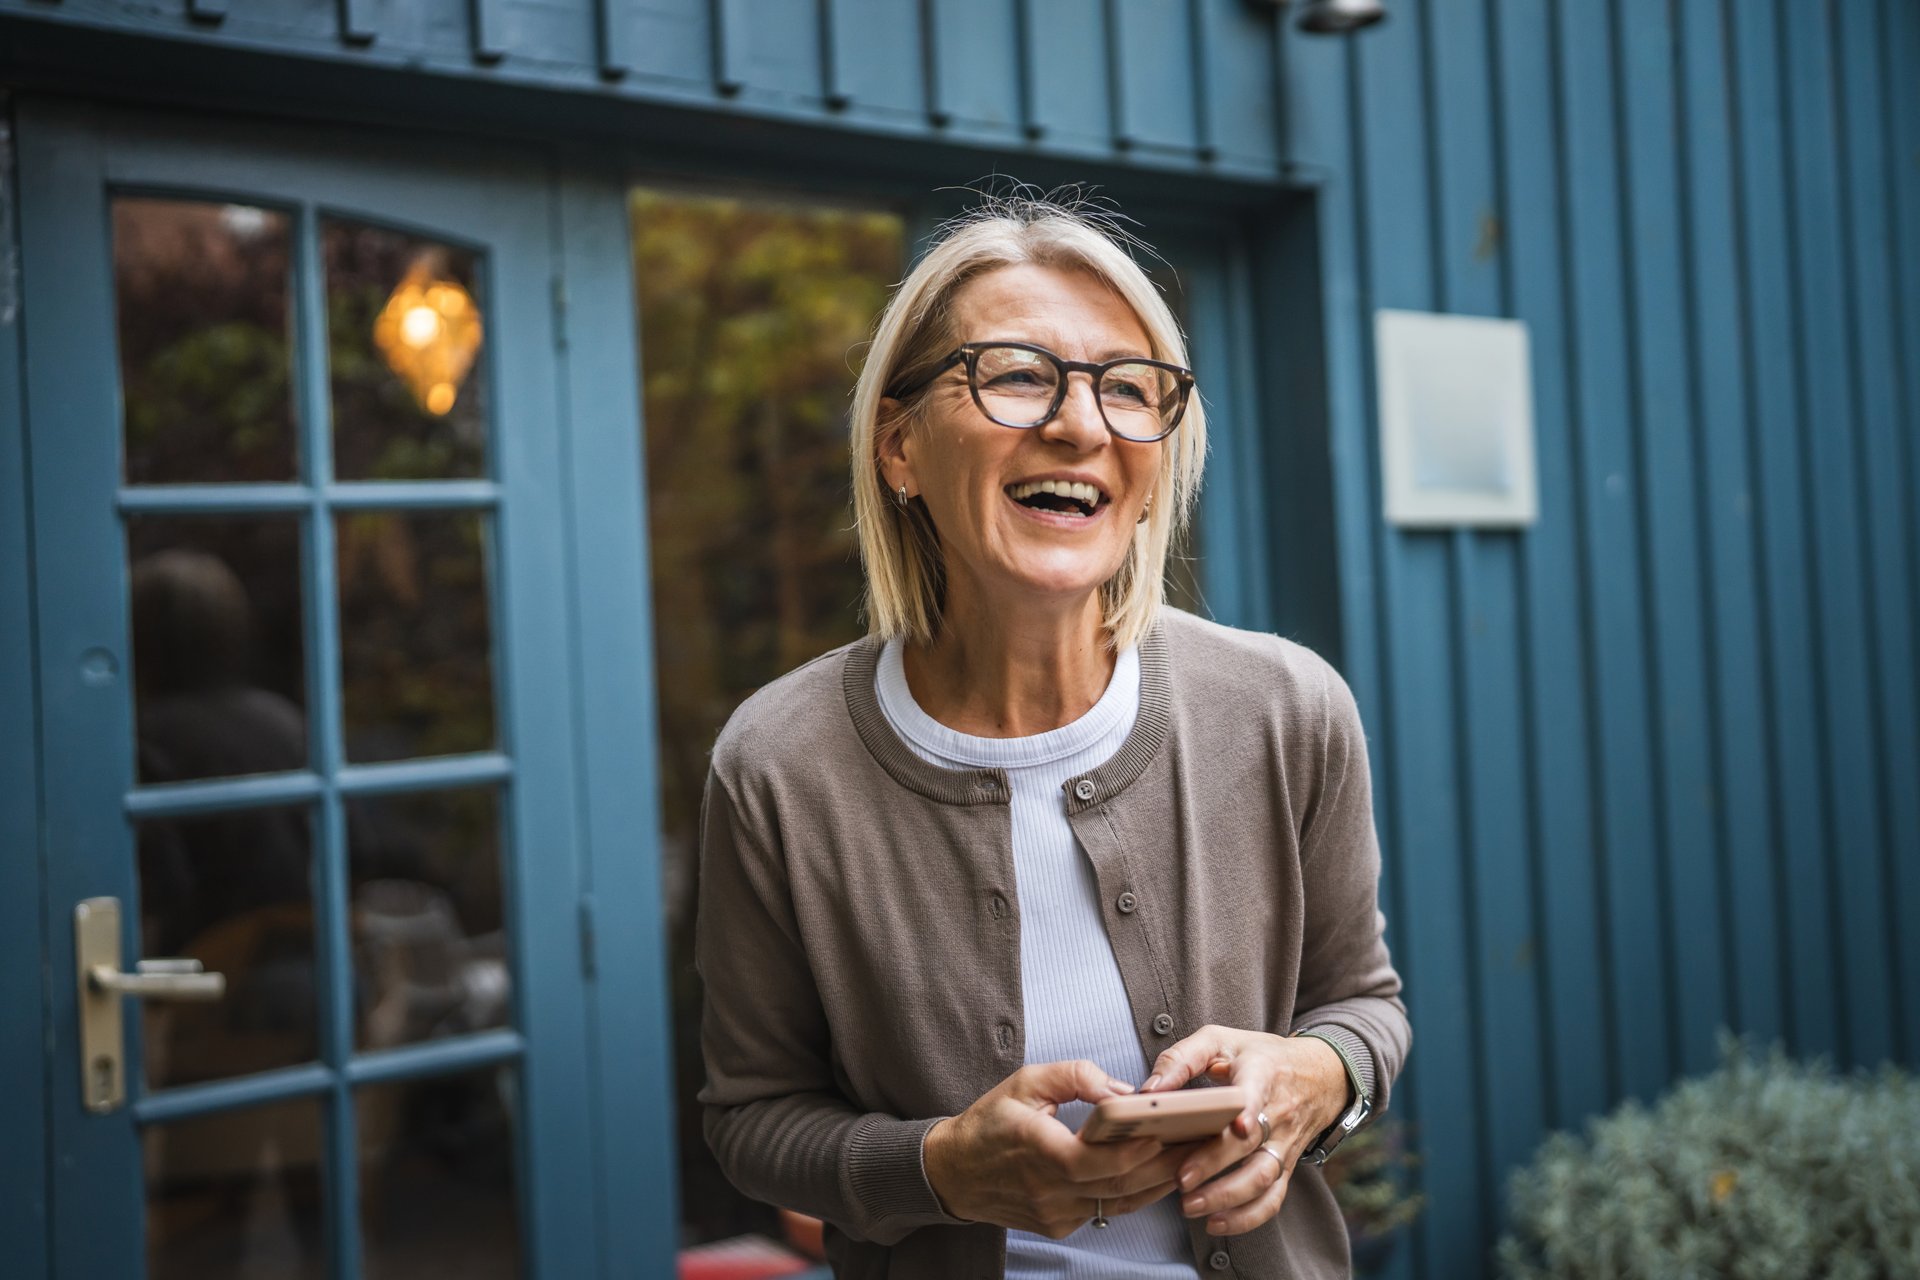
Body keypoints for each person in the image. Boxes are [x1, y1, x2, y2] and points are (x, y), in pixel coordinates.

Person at [695, 193, 1410, 1279]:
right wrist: (939, 1168)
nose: (1082, 424)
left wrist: (1321, 1075)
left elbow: (1365, 1005)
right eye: (1018, 373)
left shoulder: (1286, 709)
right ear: (899, 446)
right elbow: (752, 1121)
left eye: (1128, 387)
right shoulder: (779, 766)